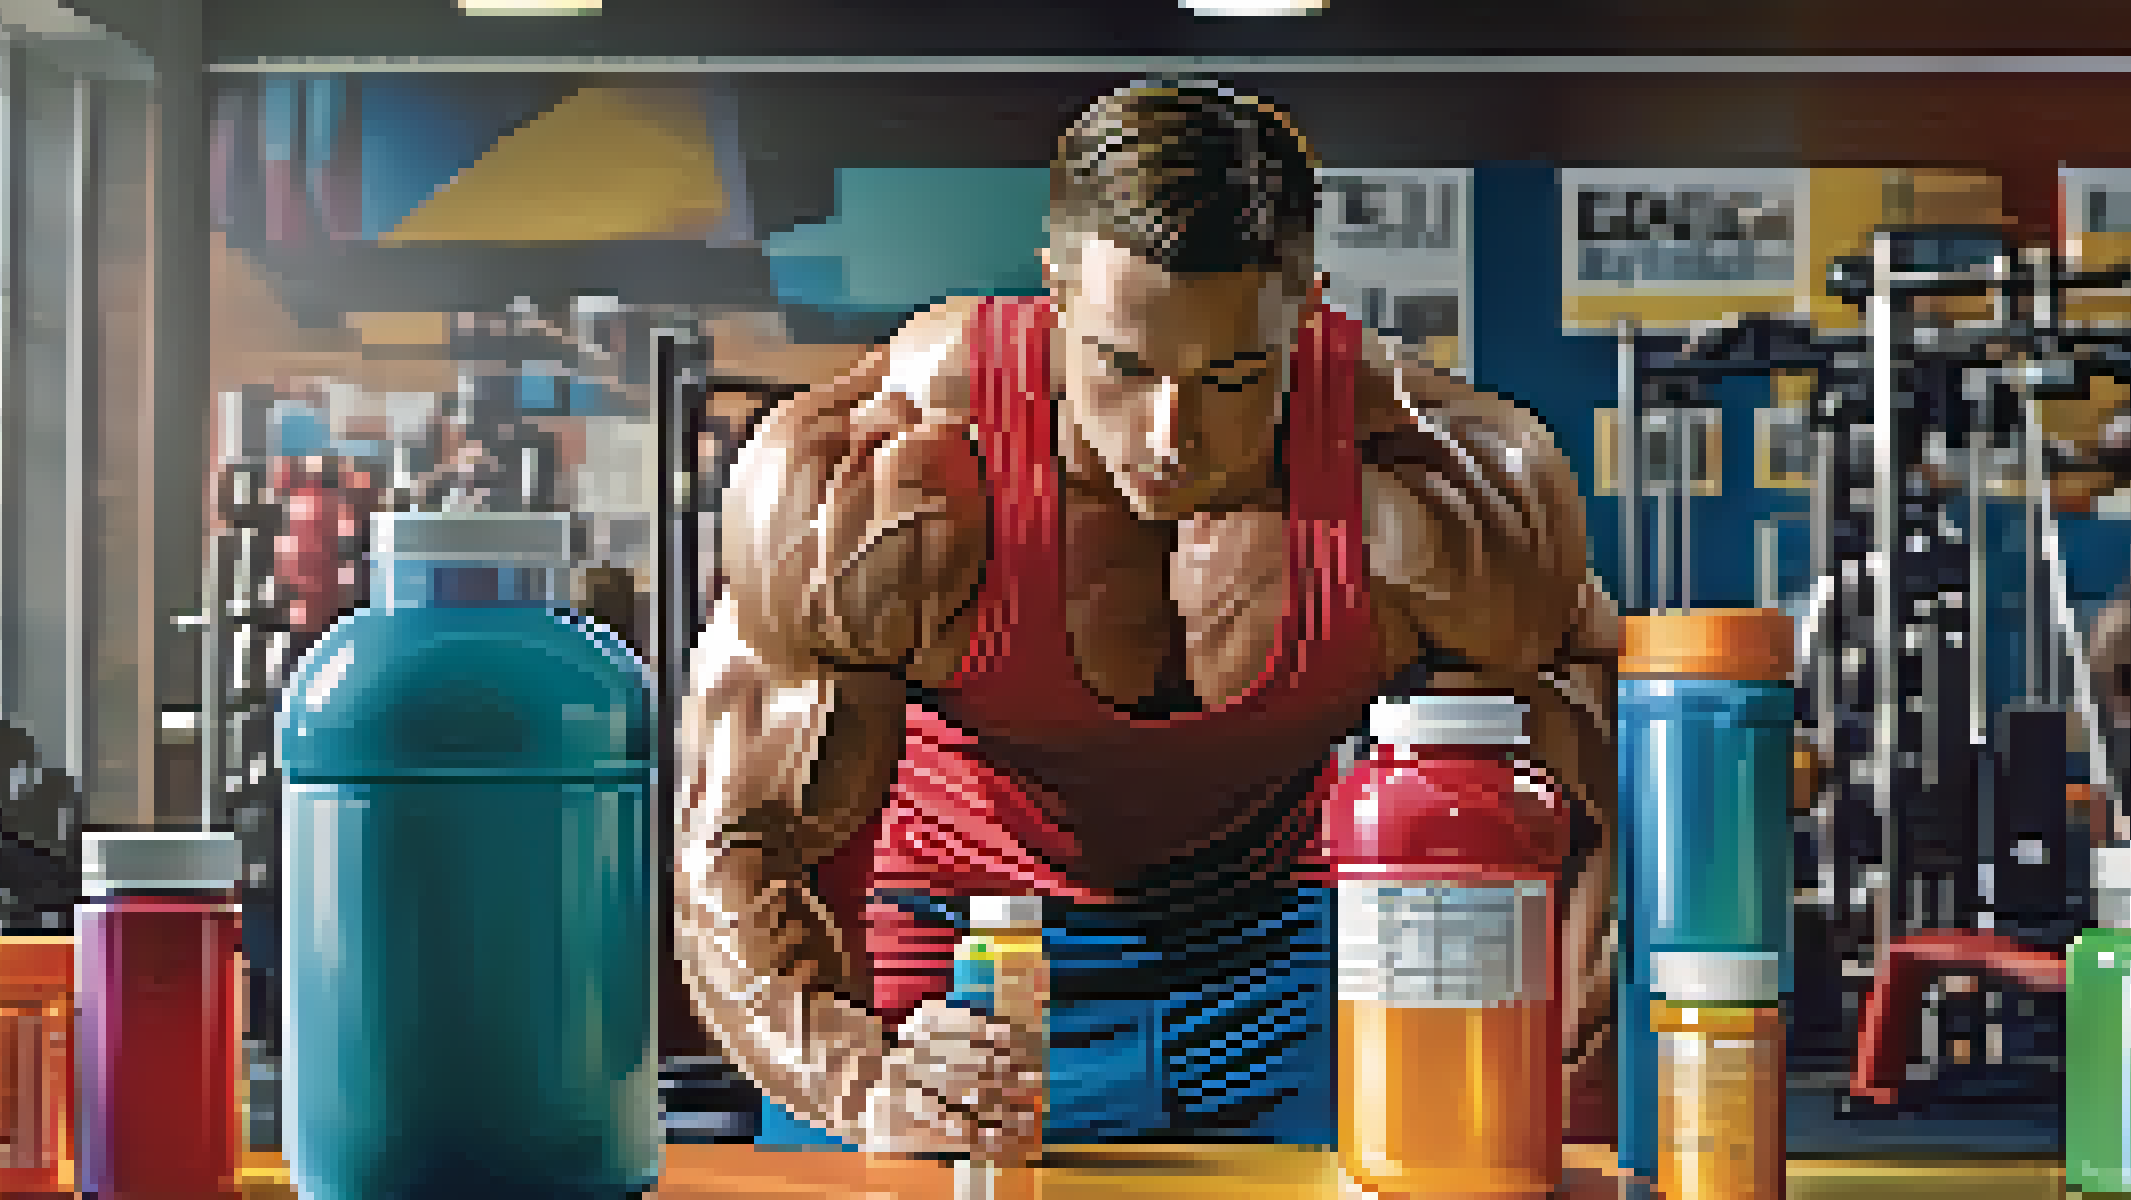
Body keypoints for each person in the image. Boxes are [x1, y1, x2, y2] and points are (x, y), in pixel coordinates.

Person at [674, 78, 1620, 1159]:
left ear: (1305, 308)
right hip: (959, 959)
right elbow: (738, 839)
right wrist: (862, 1084)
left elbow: (1592, 800)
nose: (1173, 435)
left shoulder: (1441, 495)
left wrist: (1544, 1080)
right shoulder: (894, 484)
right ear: (1057, 293)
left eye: (1235, 375)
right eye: (1124, 367)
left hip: (1279, 964)